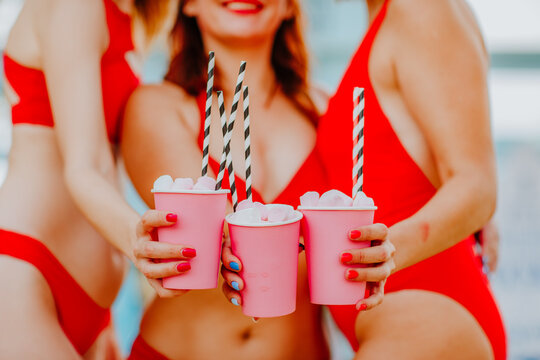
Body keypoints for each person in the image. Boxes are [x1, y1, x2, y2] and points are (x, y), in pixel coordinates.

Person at [121, 0, 395, 359]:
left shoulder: (328, 112)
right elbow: (208, 234)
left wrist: (380, 252)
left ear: (288, 8)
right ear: (188, 5)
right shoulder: (156, 105)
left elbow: (387, 208)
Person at [292, 0, 504, 358]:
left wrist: (381, 254)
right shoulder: (385, 17)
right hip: (405, 316)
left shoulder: (420, 8)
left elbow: (476, 184)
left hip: (428, 314)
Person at [0, 0, 193, 358]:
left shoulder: (133, 14)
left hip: (93, 302)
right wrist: (142, 246)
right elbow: (85, 165)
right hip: (24, 275)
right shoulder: (74, 5)